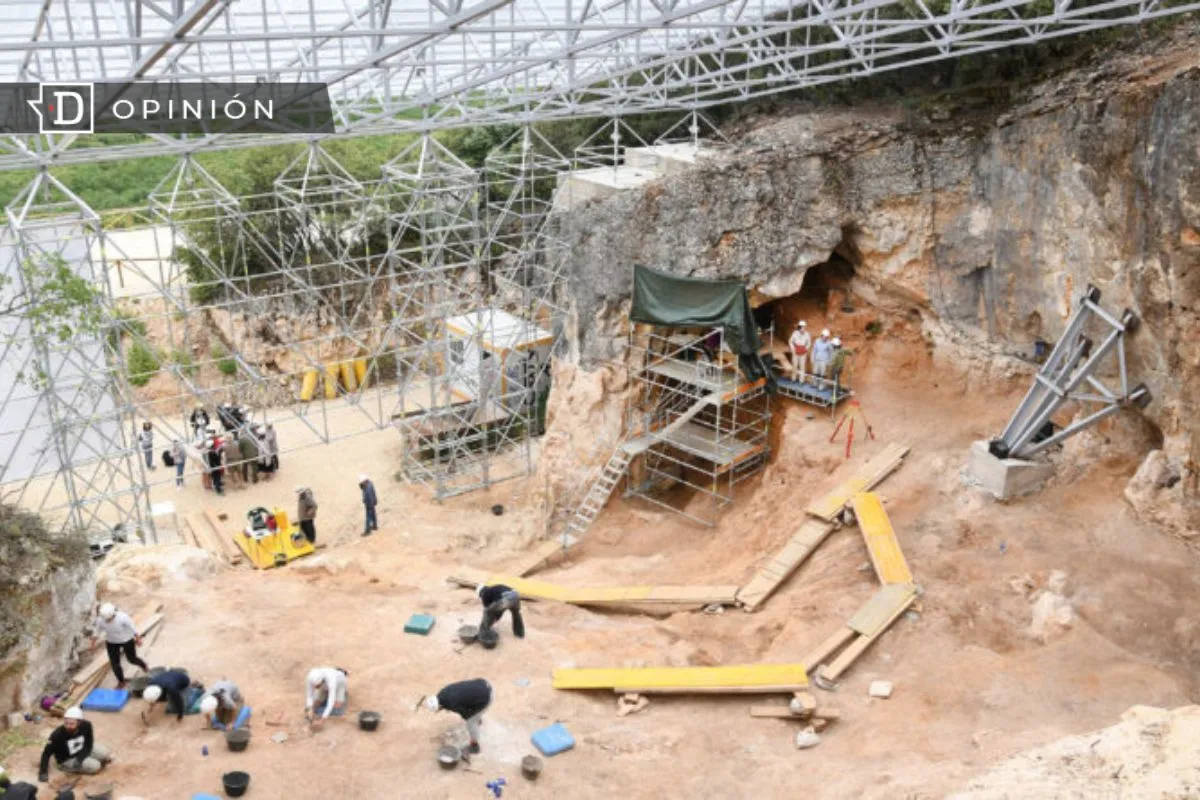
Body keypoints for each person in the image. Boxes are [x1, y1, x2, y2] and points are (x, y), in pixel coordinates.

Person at [37, 707, 113, 782]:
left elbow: (89, 743)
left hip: (82, 749)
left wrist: (80, 758)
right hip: (67, 759)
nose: (68, 726)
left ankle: (87, 761)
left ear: (79, 722)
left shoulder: (86, 725)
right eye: (66, 723)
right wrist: (43, 772)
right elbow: (46, 753)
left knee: (105, 754)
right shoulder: (57, 735)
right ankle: (66, 768)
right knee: (96, 766)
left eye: (72, 724)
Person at [424, 679, 492, 754]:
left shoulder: (452, 703)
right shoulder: (442, 693)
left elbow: (466, 714)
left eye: (438, 709)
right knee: (469, 705)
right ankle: (478, 718)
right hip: (483, 683)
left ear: (439, 706)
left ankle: (474, 746)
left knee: (471, 722)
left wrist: (473, 719)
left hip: (487, 696)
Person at [91, 603, 147, 690]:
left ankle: (144, 666)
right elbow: (97, 630)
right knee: (114, 663)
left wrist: (138, 639)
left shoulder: (123, 617)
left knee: (132, 659)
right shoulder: (100, 620)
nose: (108, 621)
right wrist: (93, 642)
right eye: (106, 620)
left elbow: (133, 628)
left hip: (126, 640)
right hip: (111, 642)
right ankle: (121, 681)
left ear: (114, 614)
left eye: (110, 619)